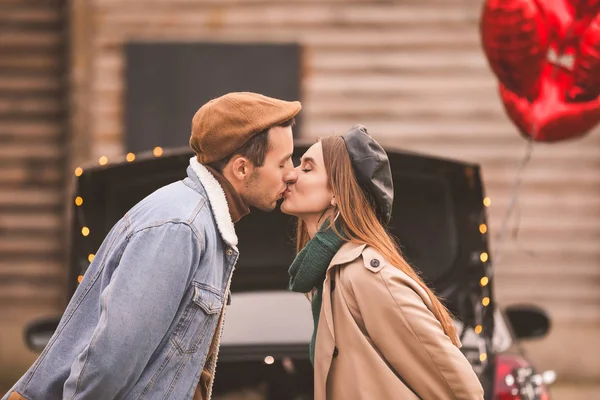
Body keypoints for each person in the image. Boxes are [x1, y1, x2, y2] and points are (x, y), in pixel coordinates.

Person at [3, 92, 301, 400]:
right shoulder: (179, 228)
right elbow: (111, 361)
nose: (291, 173)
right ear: (241, 169)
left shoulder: (199, 223)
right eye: (282, 163)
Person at [281, 125, 484, 399]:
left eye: (307, 168)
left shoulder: (365, 276)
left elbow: (463, 390)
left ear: (338, 193)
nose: (291, 174)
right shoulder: (330, 277)